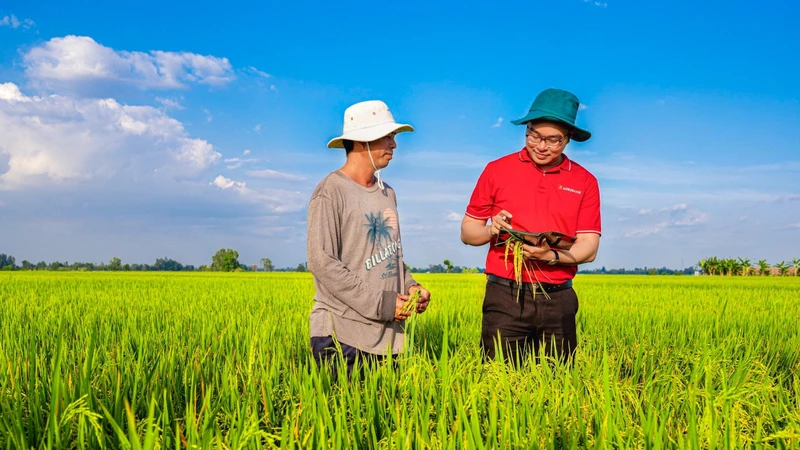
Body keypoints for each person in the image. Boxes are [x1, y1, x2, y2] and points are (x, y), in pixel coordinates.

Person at [460, 88, 601, 366]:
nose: (541, 146)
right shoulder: (497, 170)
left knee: (558, 384)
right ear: (527, 128)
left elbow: (589, 247)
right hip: (505, 296)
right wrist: (492, 229)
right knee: (499, 380)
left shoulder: (585, 181)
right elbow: (467, 232)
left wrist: (550, 257)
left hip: (558, 297)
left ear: (569, 138)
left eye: (553, 140)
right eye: (534, 135)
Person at [307, 100, 431, 379]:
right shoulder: (331, 190)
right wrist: (382, 304)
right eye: (388, 136)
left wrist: (411, 287)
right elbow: (321, 261)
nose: (394, 144)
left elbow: (390, 256)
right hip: (342, 337)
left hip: (387, 339)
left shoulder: (388, 192)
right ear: (363, 141)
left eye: (393, 137)